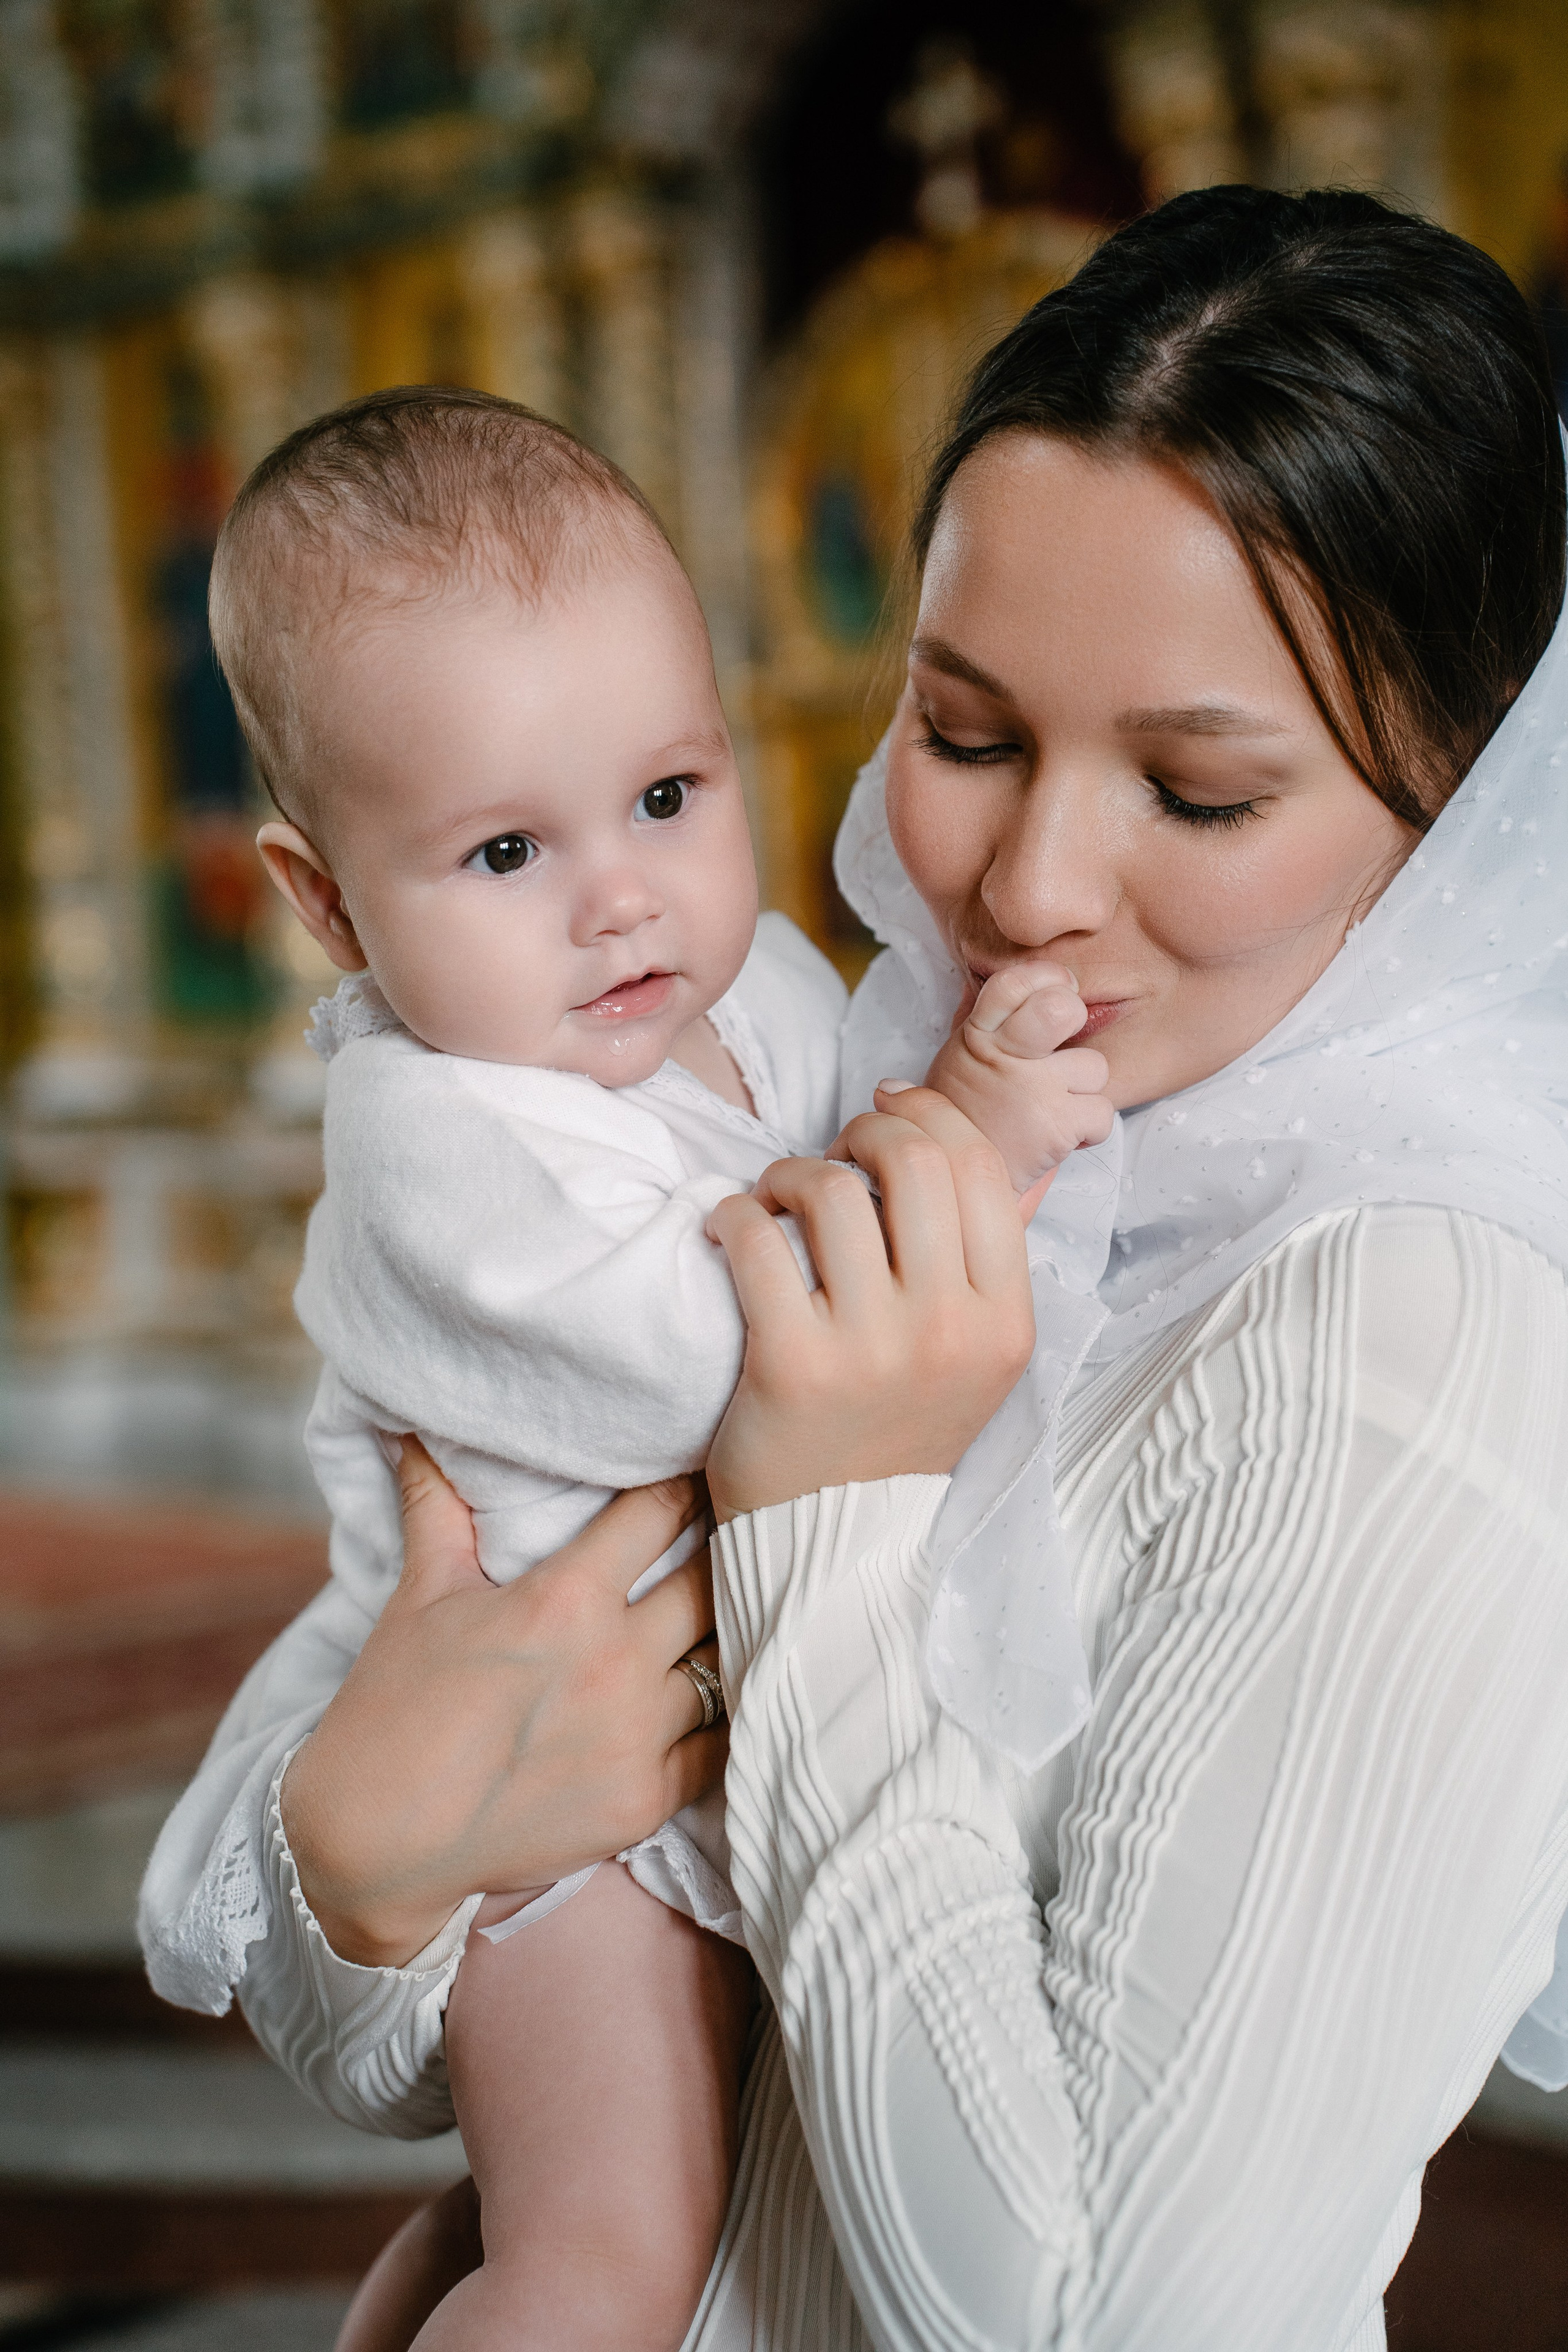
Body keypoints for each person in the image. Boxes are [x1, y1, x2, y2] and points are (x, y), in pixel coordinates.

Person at [140, 184, 1568, 2352]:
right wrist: (368, 1861)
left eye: (1196, 792)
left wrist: (827, 1509)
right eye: (969, 735)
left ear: (1457, 816)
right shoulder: (874, 1061)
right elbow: (405, 2042)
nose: (1029, 884)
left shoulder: (1397, 1360)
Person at [178, 385, 1114, 2351]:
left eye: (668, 799)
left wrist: (930, 1101)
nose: (619, 895)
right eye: (508, 846)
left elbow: (854, 1106)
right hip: (558, 1831)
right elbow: (720, 1370)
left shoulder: (746, 981)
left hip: (704, 1725)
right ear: (328, 901)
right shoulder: (437, 1140)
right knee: (610, 2267)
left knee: (656, 2227)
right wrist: (982, 1140)